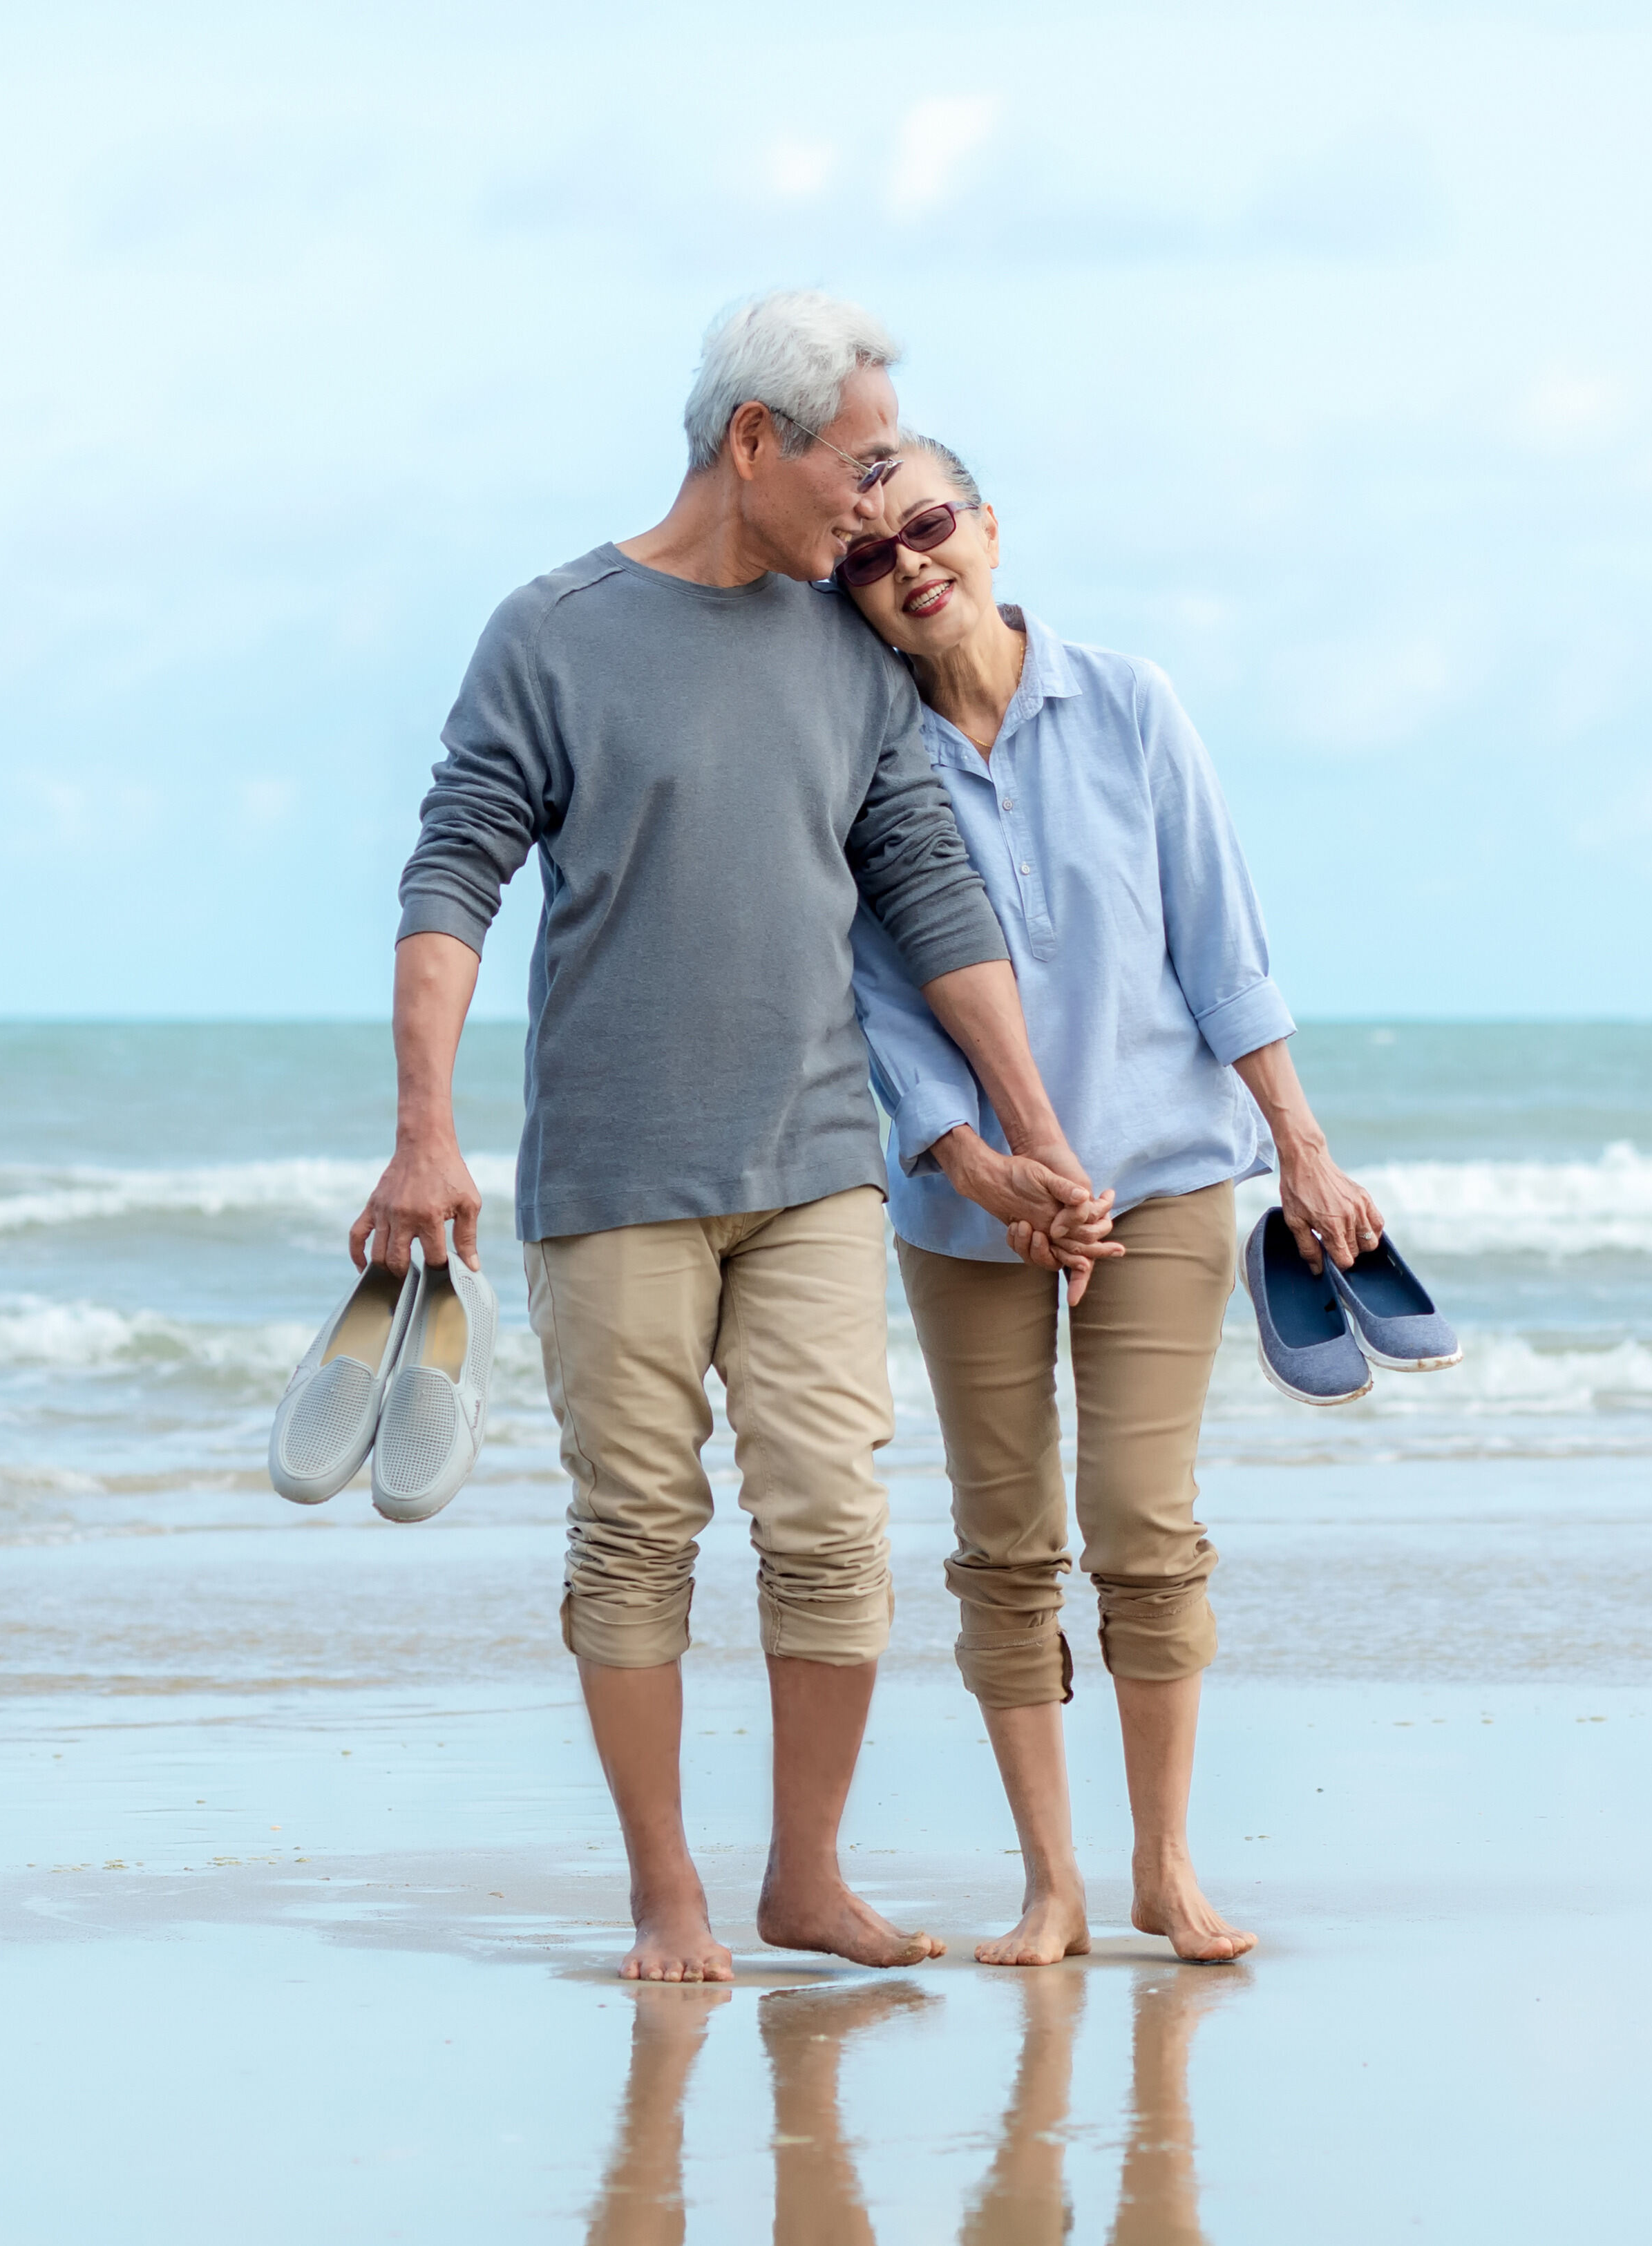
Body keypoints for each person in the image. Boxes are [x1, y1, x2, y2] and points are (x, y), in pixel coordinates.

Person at [362, 294, 1119, 1983]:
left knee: (833, 1526)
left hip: (815, 1163)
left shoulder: (847, 652)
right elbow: (452, 876)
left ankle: (804, 1879)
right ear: (753, 444)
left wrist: (1036, 1130)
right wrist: (425, 1129)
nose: (872, 511)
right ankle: (666, 1895)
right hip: (617, 1172)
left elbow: (926, 882)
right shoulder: (551, 633)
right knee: (635, 1531)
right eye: (857, 470)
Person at [839, 433, 1386, 1966]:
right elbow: (882, 1003)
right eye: (869, 556)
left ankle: (1161, 1868)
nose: (908, 564)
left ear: (991, 528)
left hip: (1162, 1177)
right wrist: (975, 1160)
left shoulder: (1131, 703)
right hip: (971, 1211)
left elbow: (1222, 945)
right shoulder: (865, 756)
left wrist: (1303, 1144)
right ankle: (1051, 1888)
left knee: (1143, 1521)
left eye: (928, 526)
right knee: (1004, 1539)